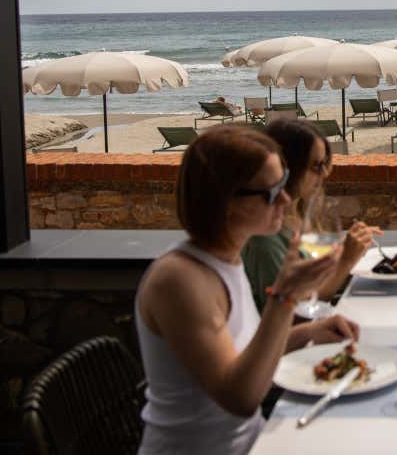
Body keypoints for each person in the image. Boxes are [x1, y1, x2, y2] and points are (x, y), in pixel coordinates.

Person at [134, 126, 355, 455]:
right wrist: (284, 297)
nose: (284, 198)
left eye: (283, 184)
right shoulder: (179, 280)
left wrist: (309, 331)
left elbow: (243, 353)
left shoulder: (228, 260)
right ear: (225, 202)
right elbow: (240, 397)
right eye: (270, 192)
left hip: (254, 441)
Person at [242, 119, 380, 314]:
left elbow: (315, 279)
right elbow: (291, 315)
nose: (324, 173)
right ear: (287, 167)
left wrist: (349, 249)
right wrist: (346, 260)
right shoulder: (265, 240)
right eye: (316, 166)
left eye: (325, 163)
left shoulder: (301, 213)